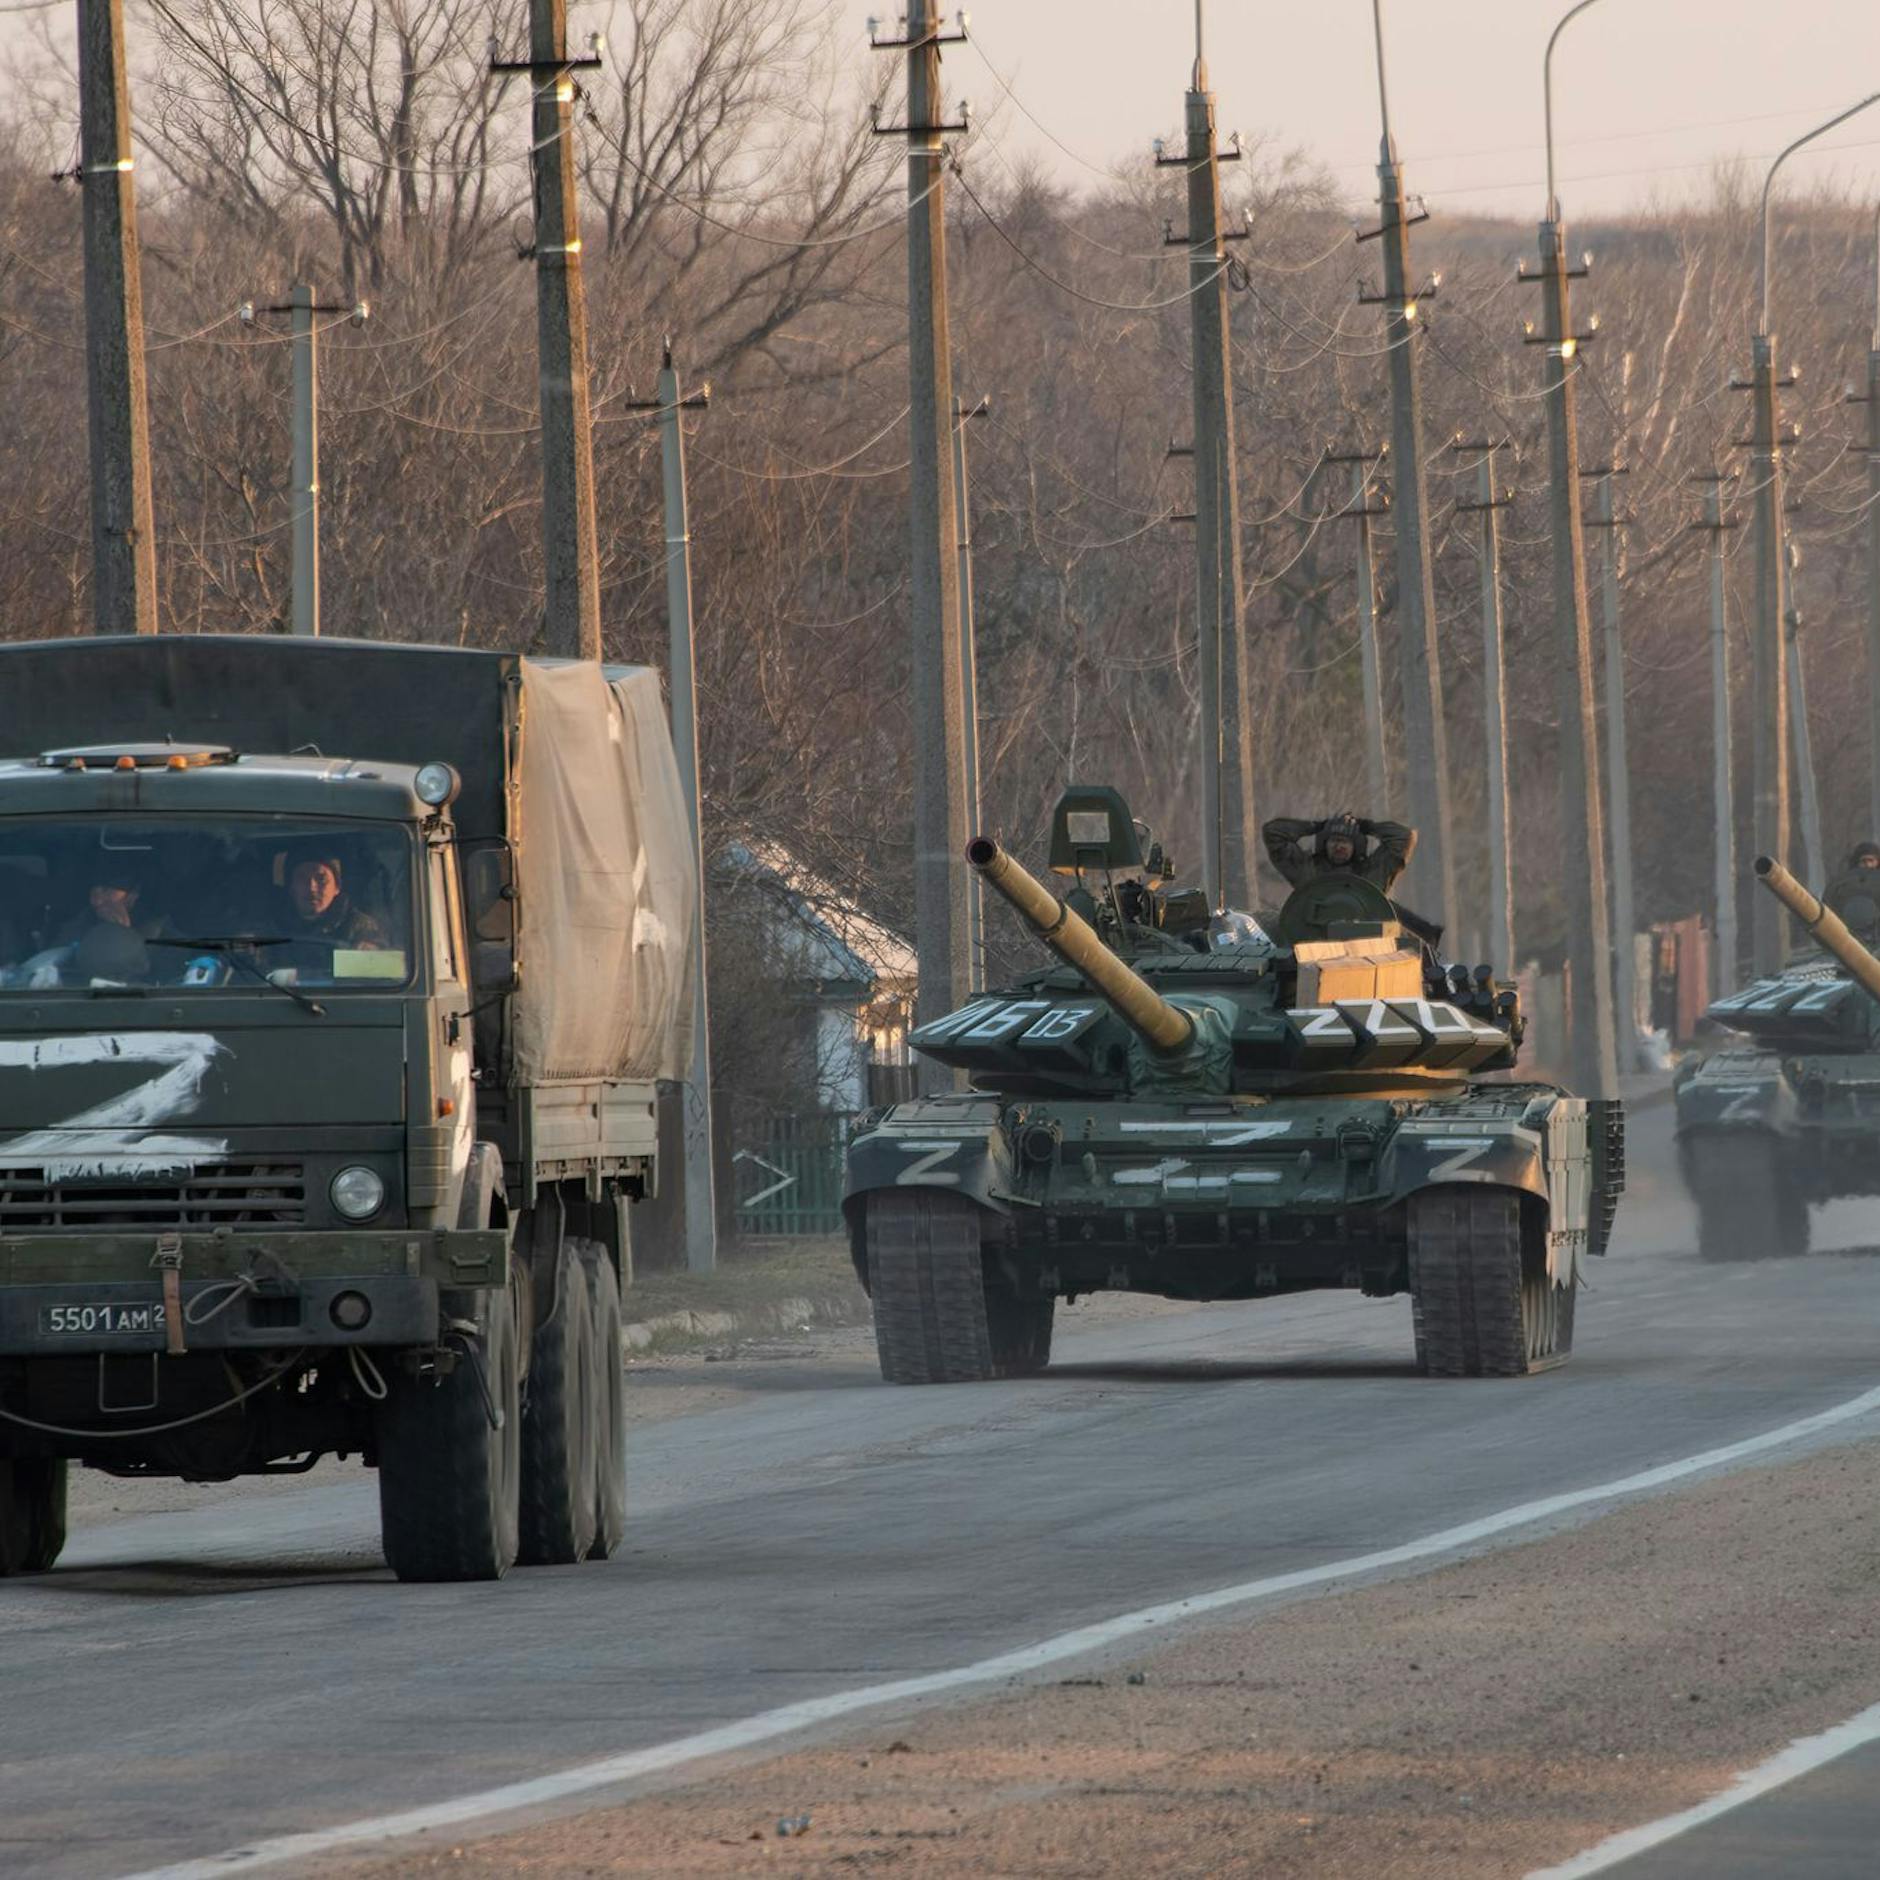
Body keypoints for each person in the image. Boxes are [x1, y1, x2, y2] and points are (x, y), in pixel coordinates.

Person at [1262, 812, 1417, 895]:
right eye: (1334, 840)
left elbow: (1403, 837)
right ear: (1324, 844)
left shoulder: (1371, 874)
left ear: (1356, 847)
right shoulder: (1308, 872)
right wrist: (1315, 826)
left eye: (1346, 842)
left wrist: (1367, 827)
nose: (1339, 846)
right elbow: (1274, 833)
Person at [277, 851, 386, 953]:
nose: (311, 888)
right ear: (291, 888)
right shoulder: (273, 925)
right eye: (302, 879)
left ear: (337, 887)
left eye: (321, 879)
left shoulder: (360, 926)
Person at [1823, 841, 1880, 932]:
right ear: (1857, 862)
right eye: (1864, 861)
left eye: (1871, 861)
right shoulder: (1844, 886)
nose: (1868, 865)